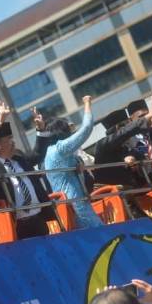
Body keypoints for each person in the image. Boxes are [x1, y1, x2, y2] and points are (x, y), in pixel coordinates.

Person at [0, 122, 56, 239]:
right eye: (9, 139)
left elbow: (37, 155)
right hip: (16, 225)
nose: (13, 142)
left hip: (38, 219)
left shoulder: (19, 158)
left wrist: (41, 130)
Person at [44, 96, 102, 229]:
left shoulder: (50, 151)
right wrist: (87, 103)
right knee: (99, 235)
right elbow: (87, 128)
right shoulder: (61, 148)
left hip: (70, 204)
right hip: (76, 204)